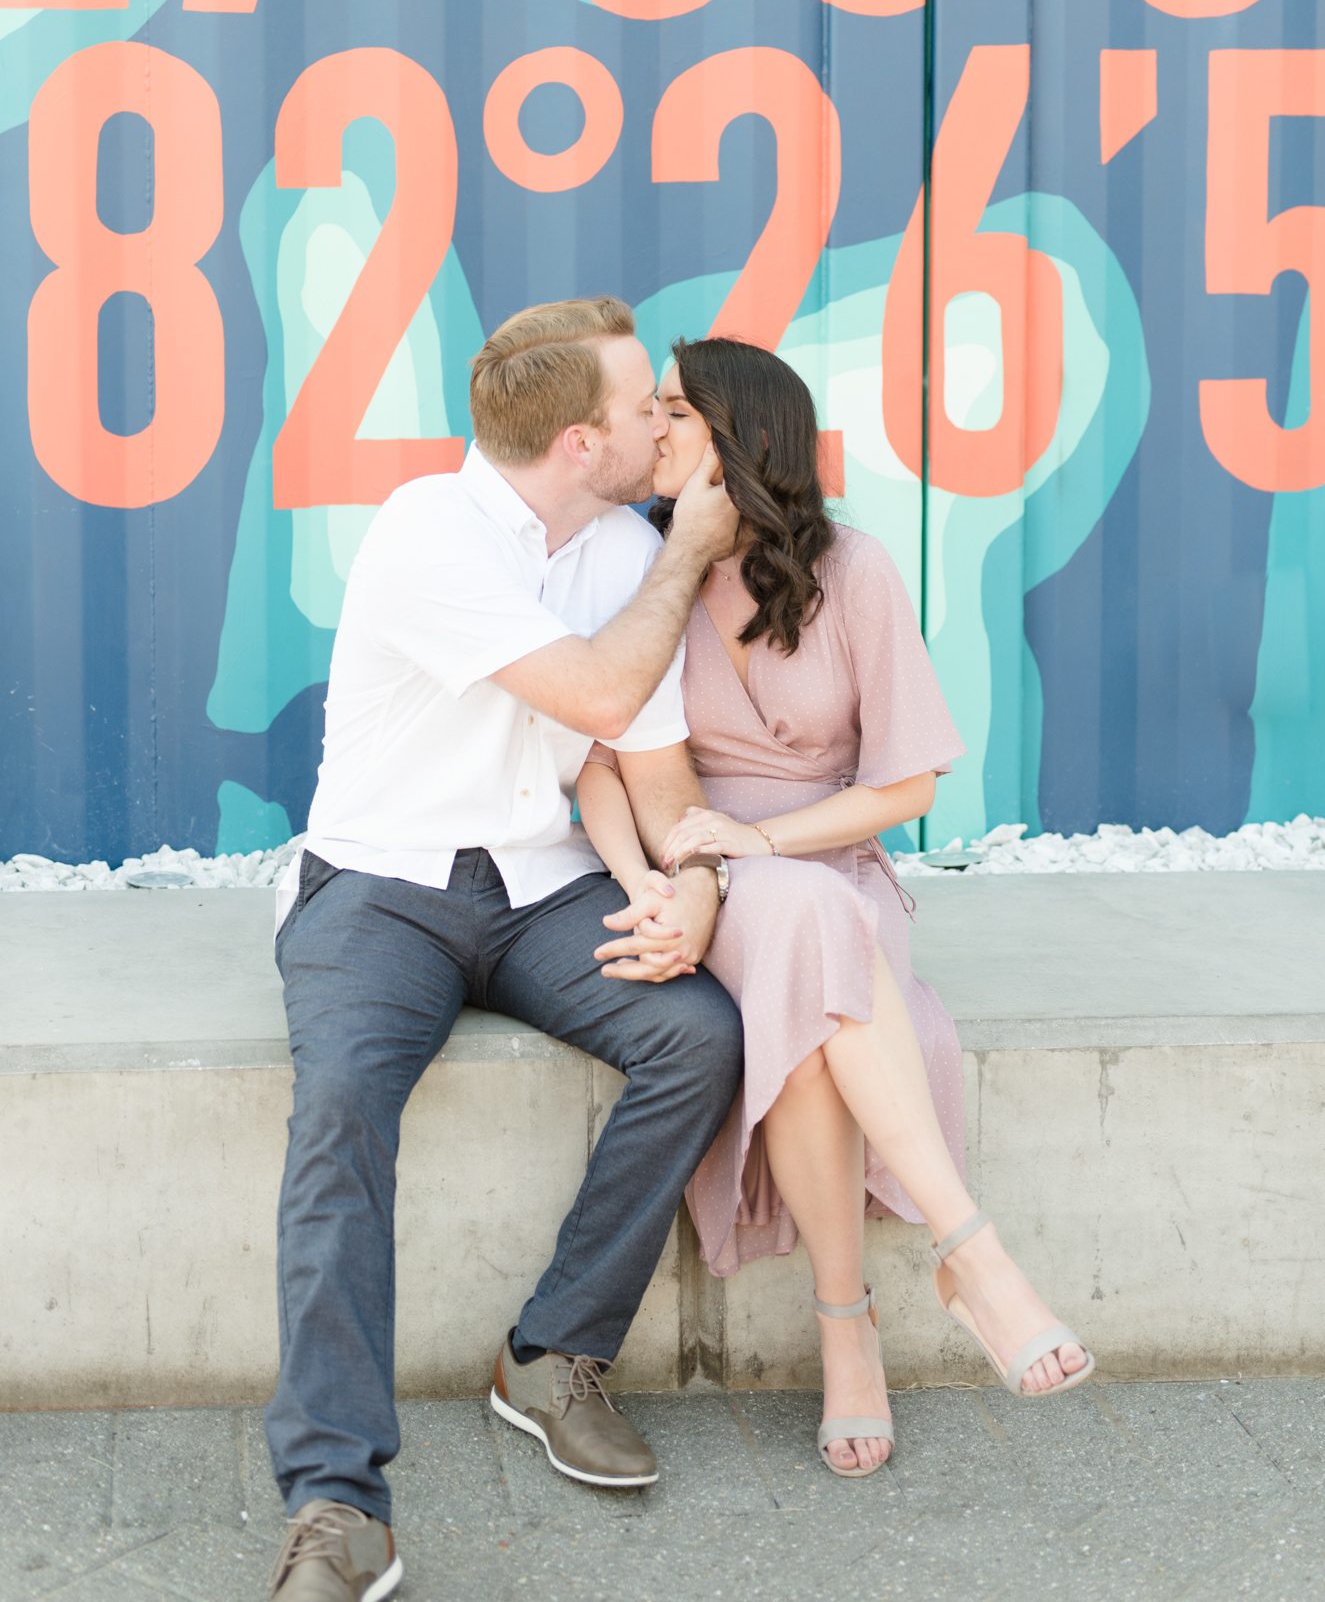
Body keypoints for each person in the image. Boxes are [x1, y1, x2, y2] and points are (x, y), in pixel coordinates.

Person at [264, 299, 745, 1602]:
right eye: (645, 404)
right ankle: (334, 1499)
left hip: (540, 889)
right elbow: (595, 694)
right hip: (381, 886)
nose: (664, 420)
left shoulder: (609, 551)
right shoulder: (427, 530)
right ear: (582, 441)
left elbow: (646, 763)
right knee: (342, 1111)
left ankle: (549, 1354)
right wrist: (684, 560)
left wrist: (690, 884)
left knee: (696, 1033)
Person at [578, 337, 1093, 1485]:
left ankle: (845, 1320)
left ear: (738, 433)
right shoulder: (633, 564)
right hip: (705, 872)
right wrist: (656, 879)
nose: (649, 429)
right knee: (803, 941)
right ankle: (971, 1256)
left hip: (825, 865)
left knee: (812, 977)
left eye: (672, 412)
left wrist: (764, 839)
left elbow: (907, 786)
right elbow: (597, 760)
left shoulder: (853, 568)